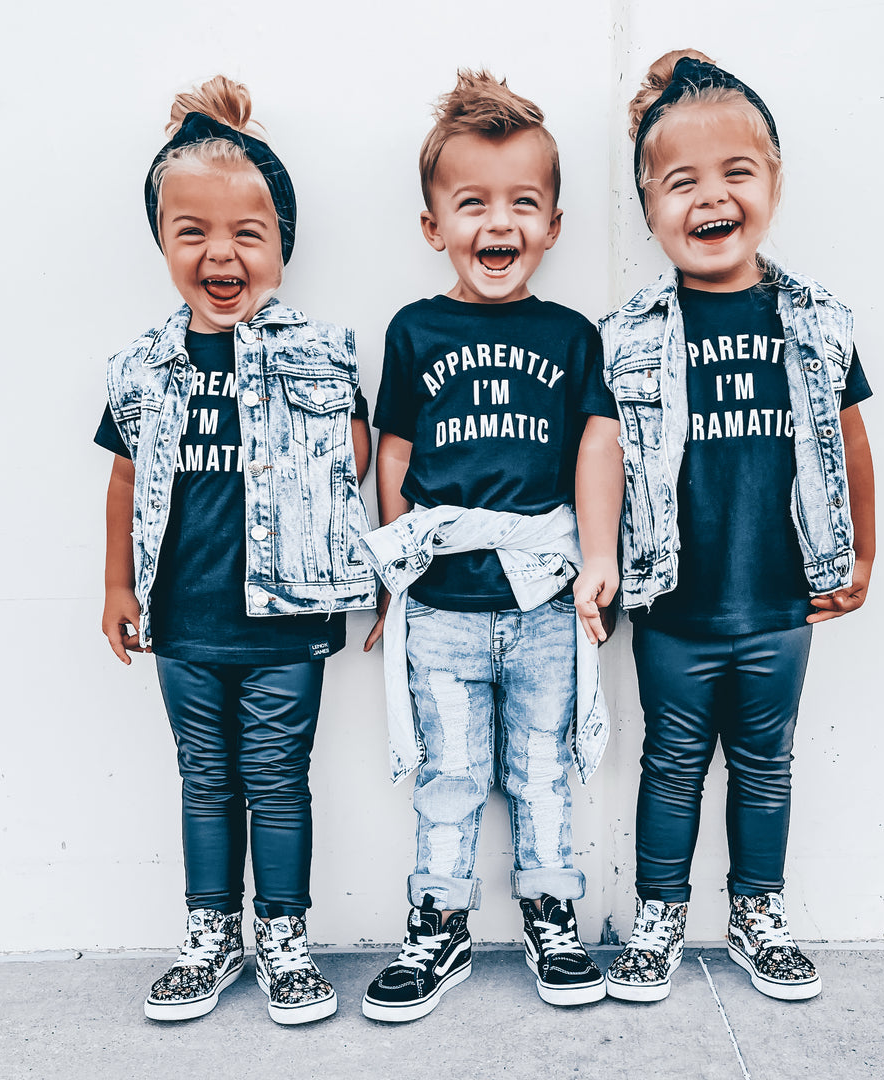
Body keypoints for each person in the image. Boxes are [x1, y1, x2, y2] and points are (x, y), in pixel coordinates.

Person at [575, 50, 875, 1003]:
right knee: (669, 763)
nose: (712, 198)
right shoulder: (625, 335)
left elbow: (849, 439)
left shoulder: (818, 322)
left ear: (773, 184)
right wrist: (597, 558)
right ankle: (660, 916)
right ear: (650, 205)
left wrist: (862, 552)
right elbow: (604, 452)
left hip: (781, 598)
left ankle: (758, 911)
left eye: (735, 173)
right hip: (674, 603)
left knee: (766, 765)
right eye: (681, 182)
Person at [95, 76, 374, 1024]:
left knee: (277, 778)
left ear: (280, 249)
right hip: (182, 617)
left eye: (247, 235)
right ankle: (211, 935)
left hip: (288, 614)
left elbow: (357, 463)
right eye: (194, 232)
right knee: (204, 778)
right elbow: (128, 480)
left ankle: (284, 938)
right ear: (165, 244)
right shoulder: (143, 366)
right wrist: (116, 591)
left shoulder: (320, 351)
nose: (222, 253)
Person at [358, 70, 618, 1022]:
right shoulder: (415, 330)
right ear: (435, 226)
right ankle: (441, 921)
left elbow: (598, 440)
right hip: (444, 606)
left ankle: (552, 910)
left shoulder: (569, 335)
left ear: (553, 224)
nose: (497, 224)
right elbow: (395, 450)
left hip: (545, 603)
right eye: (472, 204)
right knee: (452, 771)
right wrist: (394, 576)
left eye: (522, 203)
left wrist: (599, 558)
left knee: (541, 767)